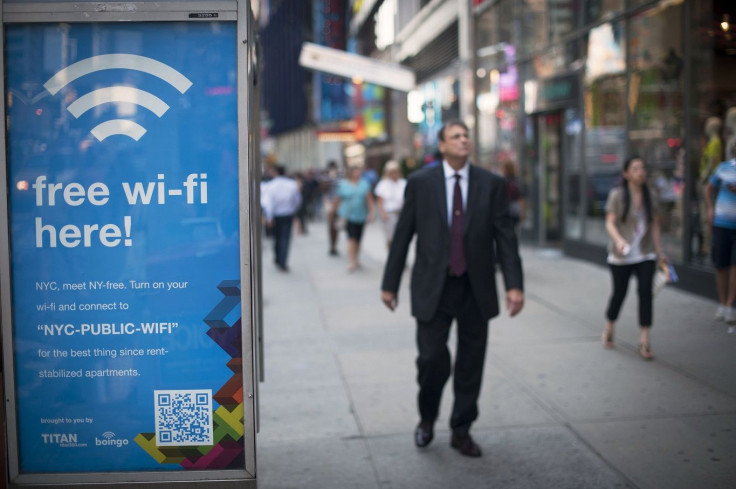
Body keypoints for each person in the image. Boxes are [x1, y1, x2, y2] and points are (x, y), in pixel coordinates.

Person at [380, 120, 524, 458]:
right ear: (442, 145)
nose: (463, 140)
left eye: (466, 136)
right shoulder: (420, 183)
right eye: (455, 136)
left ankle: (462, 429)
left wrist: (514, 285)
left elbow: (505, 237)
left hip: (476, 287)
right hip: (434, 286)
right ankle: (427, 417)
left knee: (471, 362)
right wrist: (390, 284)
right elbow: (403, 234)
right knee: (431, 359)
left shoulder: (491, 183)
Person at [602, 156, 664, 360]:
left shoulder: (651, 196)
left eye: (643, 168)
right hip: (622, 254)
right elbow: (609, 223)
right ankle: (610, 325)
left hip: (645, 253)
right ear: (626, 173)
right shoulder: (617, 195)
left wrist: (660, 252)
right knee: (619, 293)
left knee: (645, 292)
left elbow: (655, 225)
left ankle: (644, 339)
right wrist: (619, 240)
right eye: (636, 169)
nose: (641, 172)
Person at [704, 146, 736, 330]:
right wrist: (710, 208)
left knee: (734, 266)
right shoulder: (724, 167)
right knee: (721, 265)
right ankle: (722, 303)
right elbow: (708, 188)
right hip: (721, 223)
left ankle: (731, 305)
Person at [334, 165, 374, 271]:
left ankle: (356, 258)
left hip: (361, 215)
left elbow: (369, 200)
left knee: (358, 239)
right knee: (351, 238)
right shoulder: (344, 184)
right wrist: (335, 212)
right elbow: (338, 199)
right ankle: (351, 261)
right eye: (355, 171)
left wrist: (371, 213)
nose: (357, 173)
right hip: (348, 216)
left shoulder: (364, 184)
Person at [262, 165, 302, 272]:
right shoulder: (292, 184)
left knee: (276, 238)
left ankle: (278, 258)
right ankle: (282, 261)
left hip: (276, 215)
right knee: (285, 238)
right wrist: (293, 211)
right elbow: (297, 200)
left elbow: (269, 203)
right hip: (287, 214)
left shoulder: (271, 186)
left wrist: (269, 217)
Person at [374, 160, 407, 249]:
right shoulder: (383, 184)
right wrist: (382, 213)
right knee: (390, 237)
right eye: (391, 172)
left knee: (402, 237)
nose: (394, 174)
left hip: (401, 213)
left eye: (395, 172)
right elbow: (380, 201)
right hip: (390, 213)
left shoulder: (403, 183)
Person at [500, 159, 525, 231]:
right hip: (515, 208)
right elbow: (521, 197)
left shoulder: (503, 181)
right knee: (513, 230)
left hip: (506, 209)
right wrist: (522, 213)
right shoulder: (516, 181)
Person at [323, 160, 341, 256]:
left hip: (338, 202)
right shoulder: (326, 177)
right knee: (331, 224)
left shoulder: (340, 177)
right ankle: (332, 246)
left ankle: (335, 245)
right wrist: (328, 179)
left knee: (336, 225)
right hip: (329, 202)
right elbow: (323, 189)